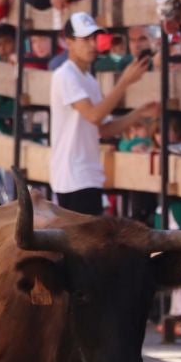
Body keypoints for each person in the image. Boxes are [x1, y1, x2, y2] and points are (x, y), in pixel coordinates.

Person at [49, 11, 156, 214]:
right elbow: (94, 115)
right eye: (85, 39)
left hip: (85, 174)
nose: (91, 44)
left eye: (93, 38)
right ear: (69, 42)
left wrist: (138, 114)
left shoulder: (87, 79)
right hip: (73, 176)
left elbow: (103, 129)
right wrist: (124, 82)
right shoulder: (65, 75)